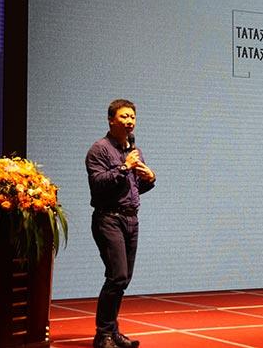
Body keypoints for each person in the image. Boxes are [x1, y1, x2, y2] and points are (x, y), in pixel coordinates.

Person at [86, 99, 156, 348]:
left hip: (131, 219)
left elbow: (132, 189)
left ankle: (112, 332)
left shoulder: (134, 151)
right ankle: (103, 334)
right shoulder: (100, 149)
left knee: (123, 279)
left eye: (132, 117)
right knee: (117, 276)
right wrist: (125, 167)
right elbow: (99, 183)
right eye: (124, 117)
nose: (129, 122)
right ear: (111, 120)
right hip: (109, 218)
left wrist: (150, 178)